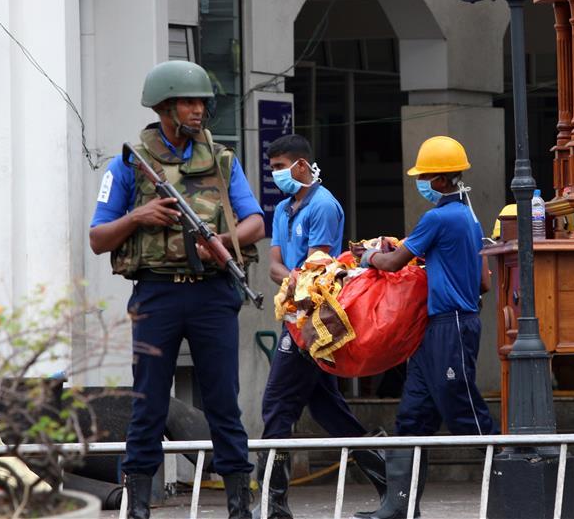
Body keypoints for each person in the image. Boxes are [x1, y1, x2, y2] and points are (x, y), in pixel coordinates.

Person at [89, 60, 264, 519]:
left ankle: (239, 507)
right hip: (156, 296)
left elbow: (255, 223)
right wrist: (138, 218)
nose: (198, 110)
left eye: (202, 102)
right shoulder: (129, 164)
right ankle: (138, 507)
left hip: (211, 295)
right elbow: (97, 238)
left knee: (224, 403)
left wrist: (221, 243)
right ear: (165, 106)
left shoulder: (223, 160)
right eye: (188, 102)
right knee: (146, 404)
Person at [351, 135, 498, 519]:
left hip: (448, 325)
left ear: (441, 180)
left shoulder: (437, 217)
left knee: (464, 410)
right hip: (443, 326)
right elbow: (483, 281)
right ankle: (398, 508)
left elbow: (392, 264)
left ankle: (513, 490)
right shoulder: (470, 216)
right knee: (413, 416)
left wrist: (364, 254)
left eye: (426, 177)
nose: (422, 184)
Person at [260, 134, 386, 519]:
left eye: (281, 168)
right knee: (329, 411)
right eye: (274, 169)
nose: (277, 175)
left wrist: (296, 279)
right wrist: (296, 279)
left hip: (315, 323)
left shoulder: (324, 206)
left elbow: (320, 273)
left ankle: (272, 503)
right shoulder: (283, 209)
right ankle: (389, 477)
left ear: (301, 165)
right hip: (295, 318)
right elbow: (275, 267)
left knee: (277, 405)